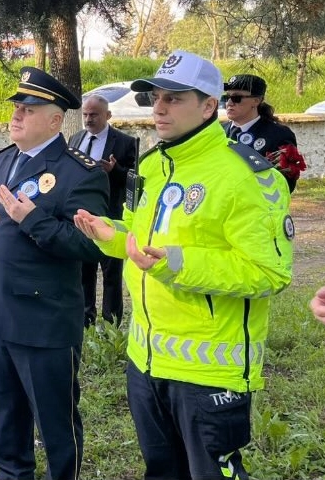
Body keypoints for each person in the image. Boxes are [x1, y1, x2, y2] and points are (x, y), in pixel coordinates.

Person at [74, 50, 293, 480]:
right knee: (161, 471)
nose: (158, 108)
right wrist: (110, 234)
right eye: (155, 97)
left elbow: (270, 271)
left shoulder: (249, 177)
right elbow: (143, 243)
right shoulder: (152, 166)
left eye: (173, 98)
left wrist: (175, 262)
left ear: (209, 106)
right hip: (145, 360)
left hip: (209, 371)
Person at [0, 67, 109, 480]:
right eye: (17, 106)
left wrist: (34, 219)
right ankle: (12, 472)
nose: (17, 114)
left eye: (29, 109)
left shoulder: (80, 172)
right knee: (5, 413)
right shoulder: (6, 159)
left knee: (54, 421)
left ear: (54, 121)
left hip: (43, 320)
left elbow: (91, 245)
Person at [69, 94, 137, 327]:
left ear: (108, 115)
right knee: (84, 273)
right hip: (83, 217)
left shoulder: (125, 142)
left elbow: (135, 180)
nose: (88, 119)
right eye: (85, 114)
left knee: (111, 276)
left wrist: (115, 170)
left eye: (94, 115)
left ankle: (111, 324)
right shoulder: (76, 138)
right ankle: (86, 319)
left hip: (111, 217)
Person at [222, 74, 305, 192]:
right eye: (226, 97)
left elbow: (285, 183)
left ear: (256, 101)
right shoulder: (218, 130)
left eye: (237, 98)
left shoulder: (278, 134)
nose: (229, 103)